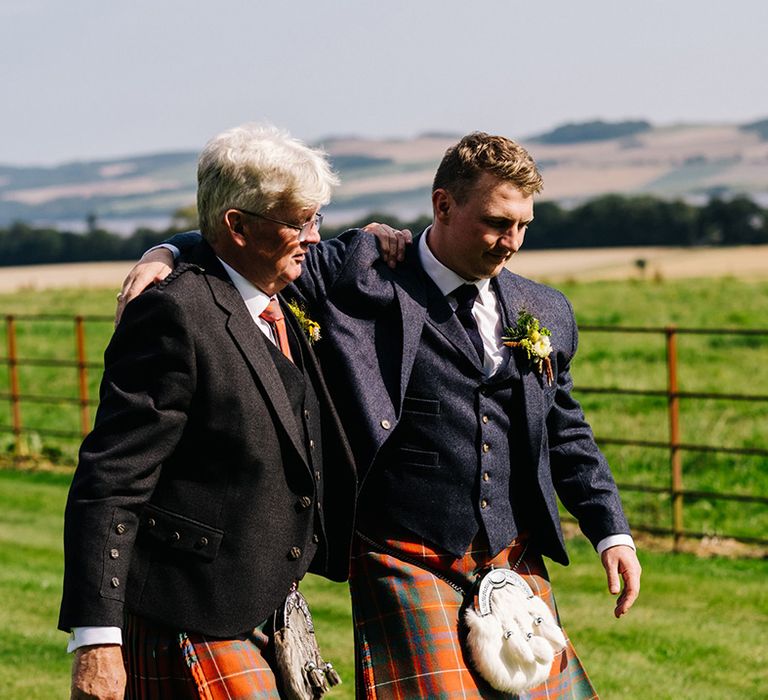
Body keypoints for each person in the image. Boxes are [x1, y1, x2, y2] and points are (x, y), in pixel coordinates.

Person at [121, 131, 641, 699]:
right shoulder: (360, 272)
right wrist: (167, 252)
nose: (510, 242)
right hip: (406, 551)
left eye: (523, 225)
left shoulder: (544, 309)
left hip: (515, 552)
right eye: (496, 222)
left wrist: (611, 531)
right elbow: (243, 238)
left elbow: (565, 429)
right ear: (443, 205)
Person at [58, 123, 360, 700]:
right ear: (238, 227)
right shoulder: (172, 314)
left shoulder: (285, 292)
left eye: (316, 217)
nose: (314, 237)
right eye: (299, 221)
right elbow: (111, 478)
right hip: (185, 603)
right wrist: (97, 640)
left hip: (262, 600)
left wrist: (168, 246)